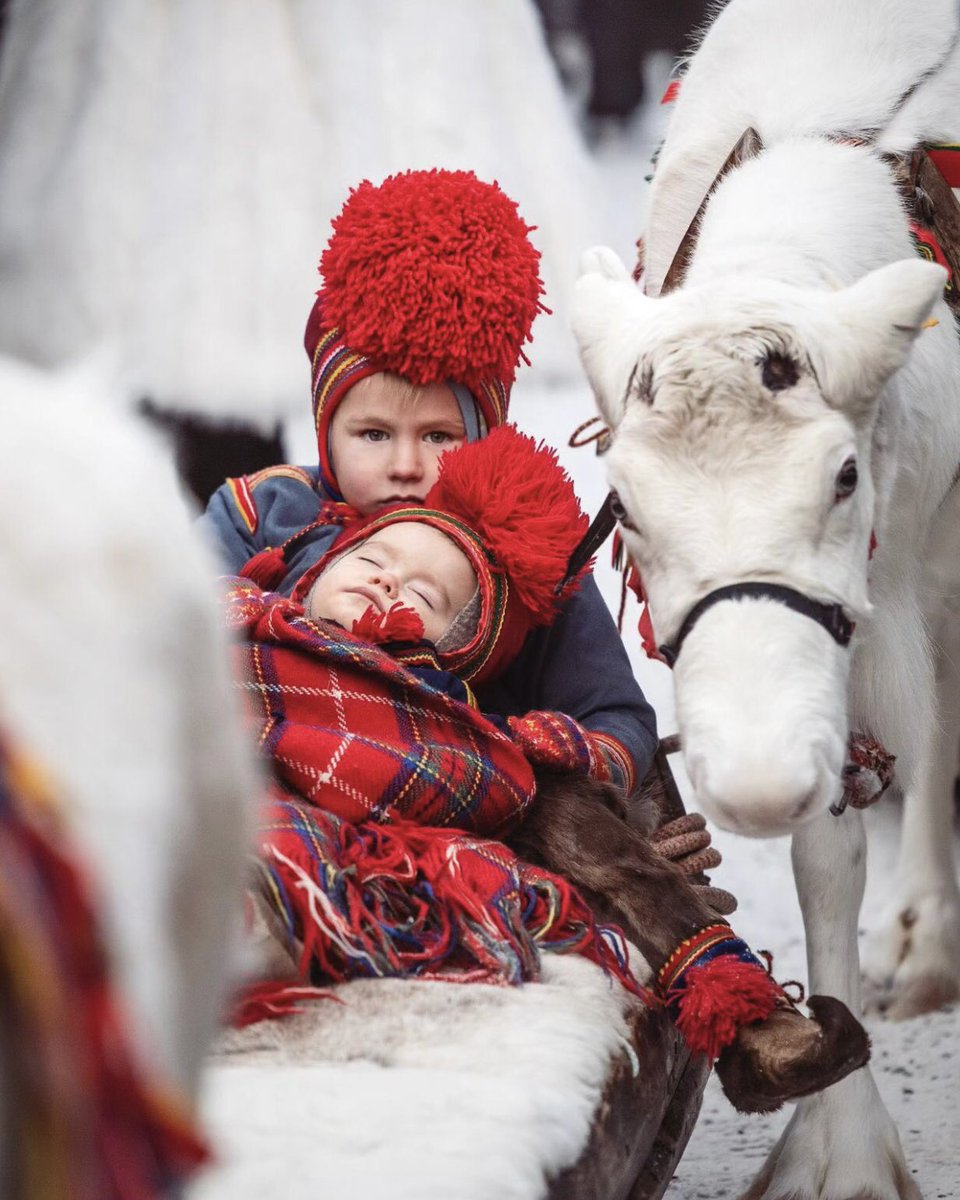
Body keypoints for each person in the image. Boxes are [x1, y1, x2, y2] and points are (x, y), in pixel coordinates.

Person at [229, 425, 871, 1113]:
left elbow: (610, 739)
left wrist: (570, 762)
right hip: (240, 793)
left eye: (426, 596)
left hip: (367, 848)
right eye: (373, 558)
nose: (389, 579)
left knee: (568, 829)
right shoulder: (248, 611)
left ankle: (747, 1015)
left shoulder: (469, 738)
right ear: (318, 570)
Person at [200, 167, 656, 807]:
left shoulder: (527, 575)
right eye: (374, 435)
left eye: (440, 436)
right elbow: (171, 609)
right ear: (326, 429)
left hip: (441, 812)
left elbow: (617, 719)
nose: (406, 466)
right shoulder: (266, 509)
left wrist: (532, 756)